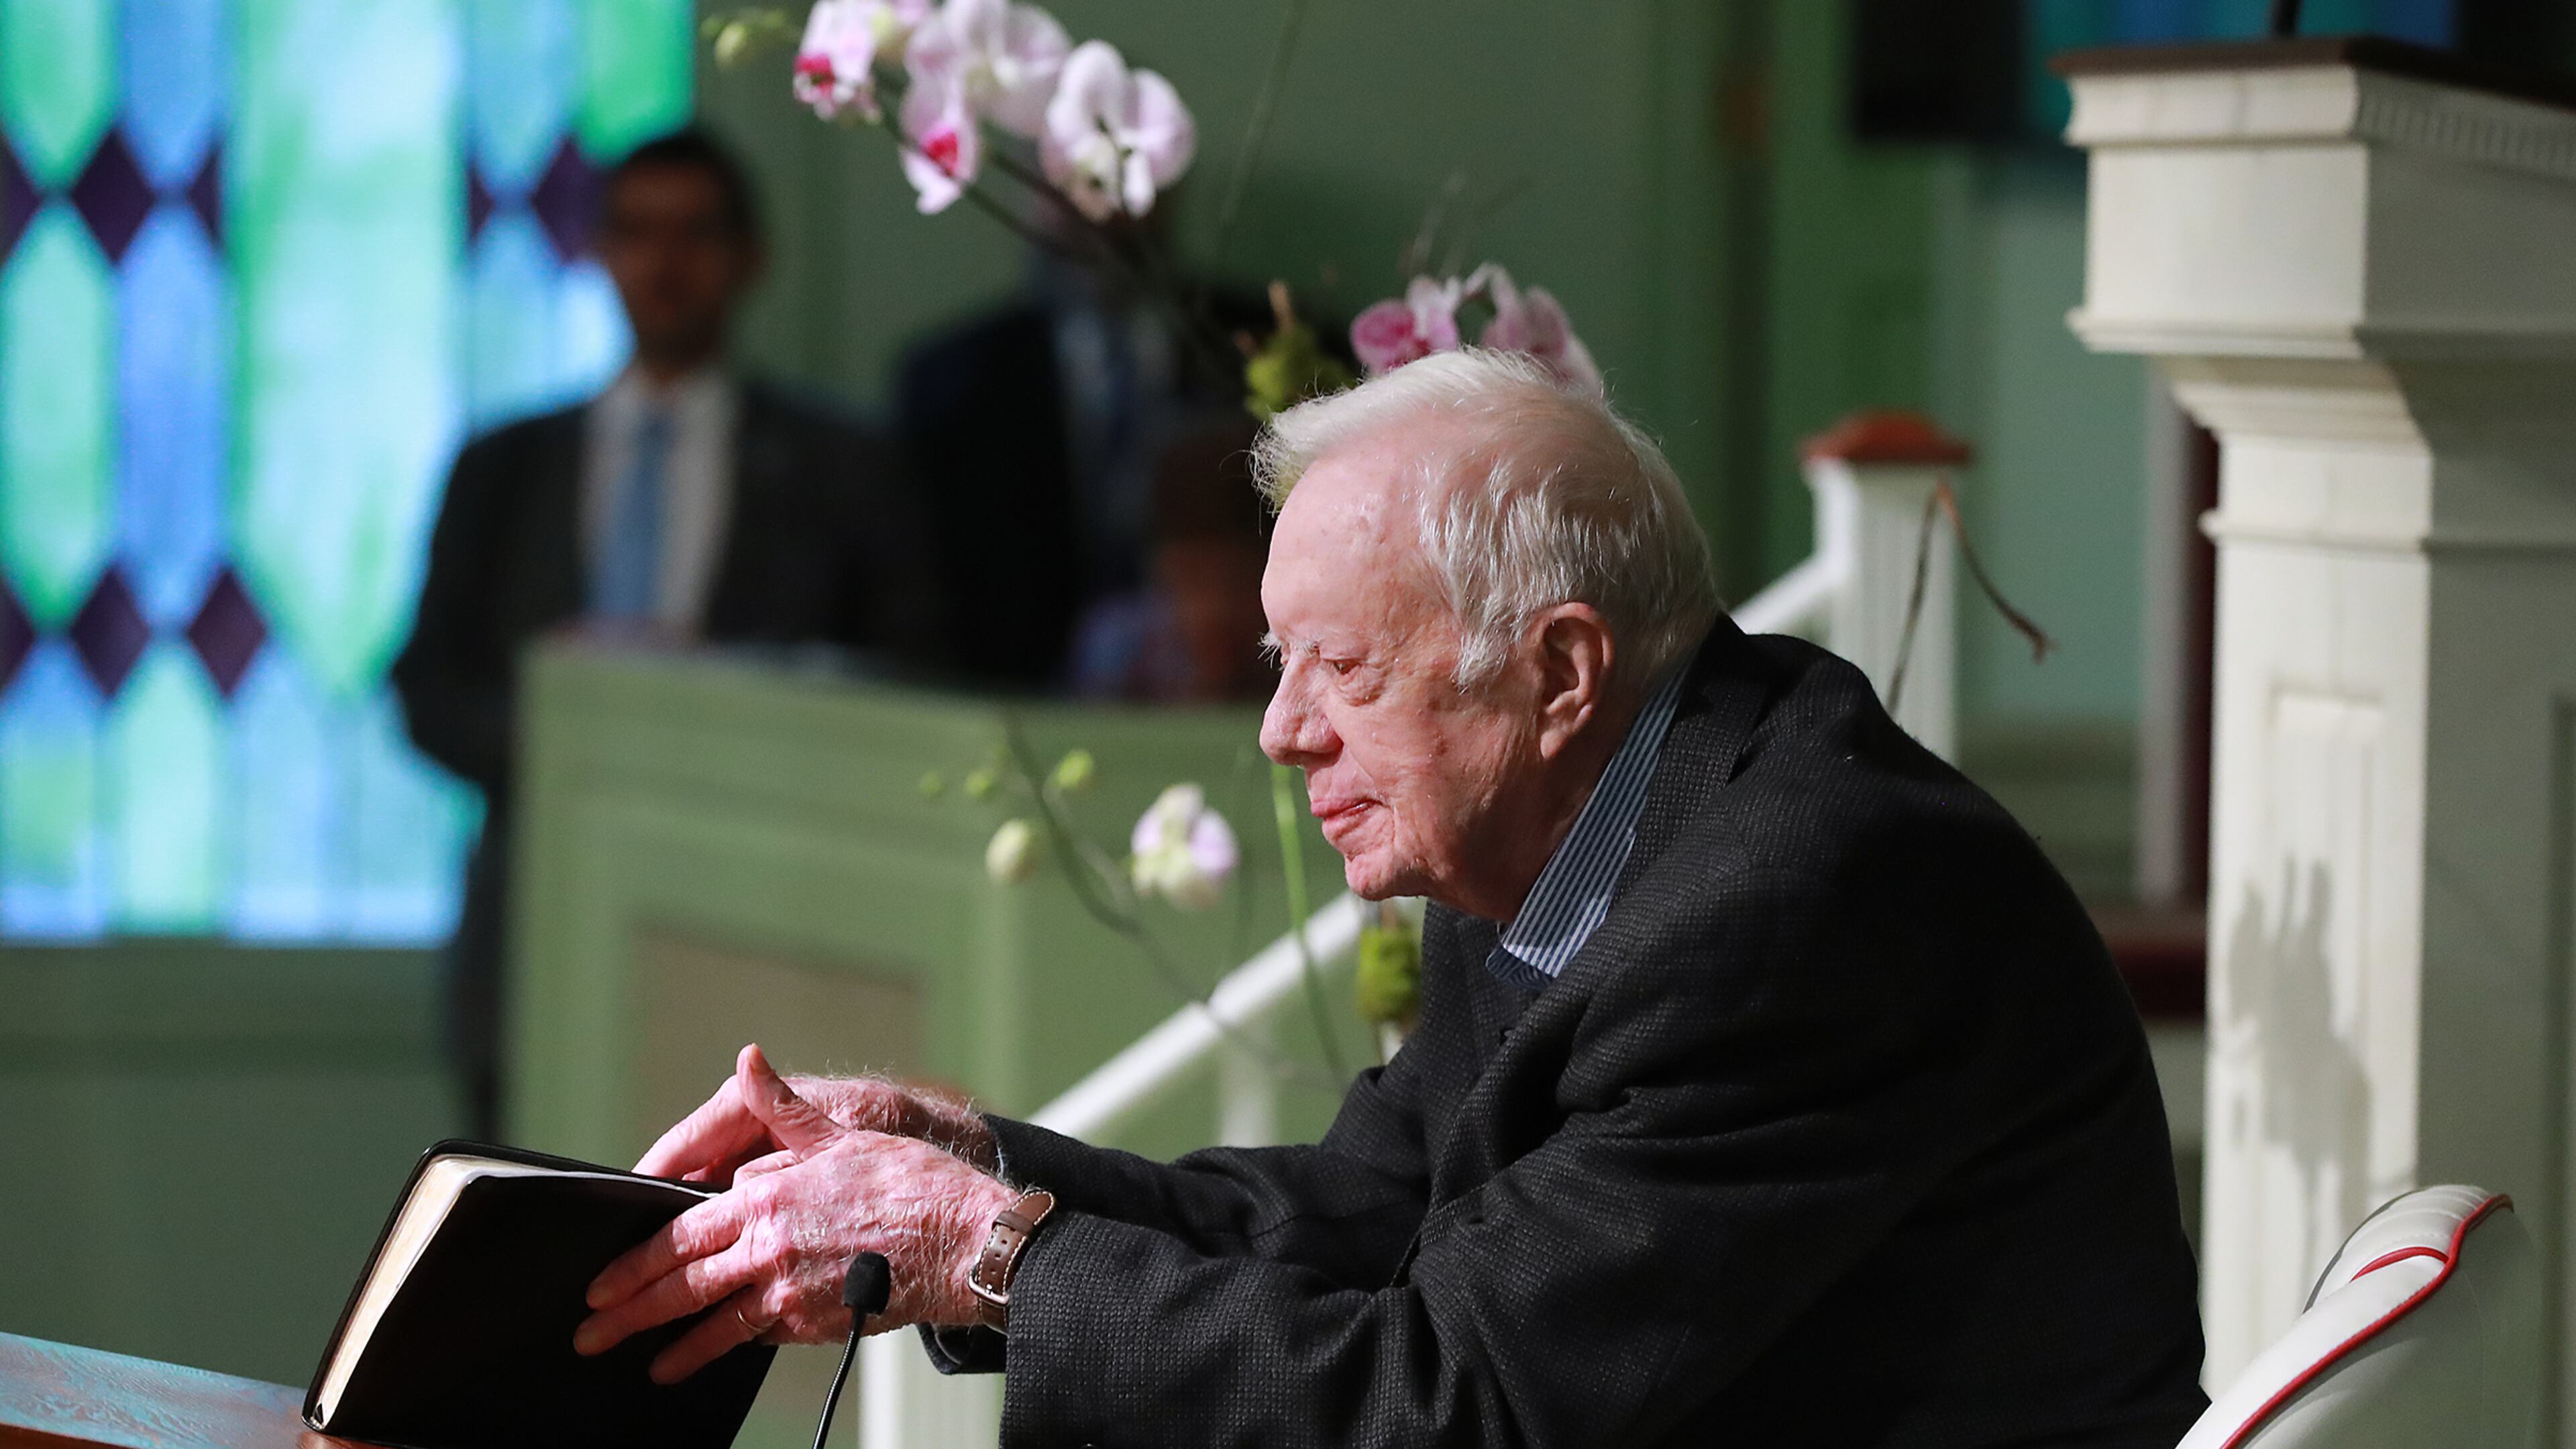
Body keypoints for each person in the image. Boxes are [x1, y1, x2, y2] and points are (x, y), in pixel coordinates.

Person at [575, 350, 2208, 1446]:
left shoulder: (1793, 908)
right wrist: (977, 1170)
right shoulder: (1565, 827)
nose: (1280, 732)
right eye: (1284, 664)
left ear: (1558, 671)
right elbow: (1367, 1221)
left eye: (1337, 672)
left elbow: (1456, 1407)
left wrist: (994, 1258)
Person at [392, 128, 941, 1140]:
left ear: (749, 258)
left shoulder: (839, 467)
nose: (666, 263)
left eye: (696, 234)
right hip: (537, 913)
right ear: (600, 252)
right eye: (639, 233)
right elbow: (427, 685)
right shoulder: (505, 467)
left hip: (763, 915)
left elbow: (900, 680)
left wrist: (725, 700)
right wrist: (574, 734)